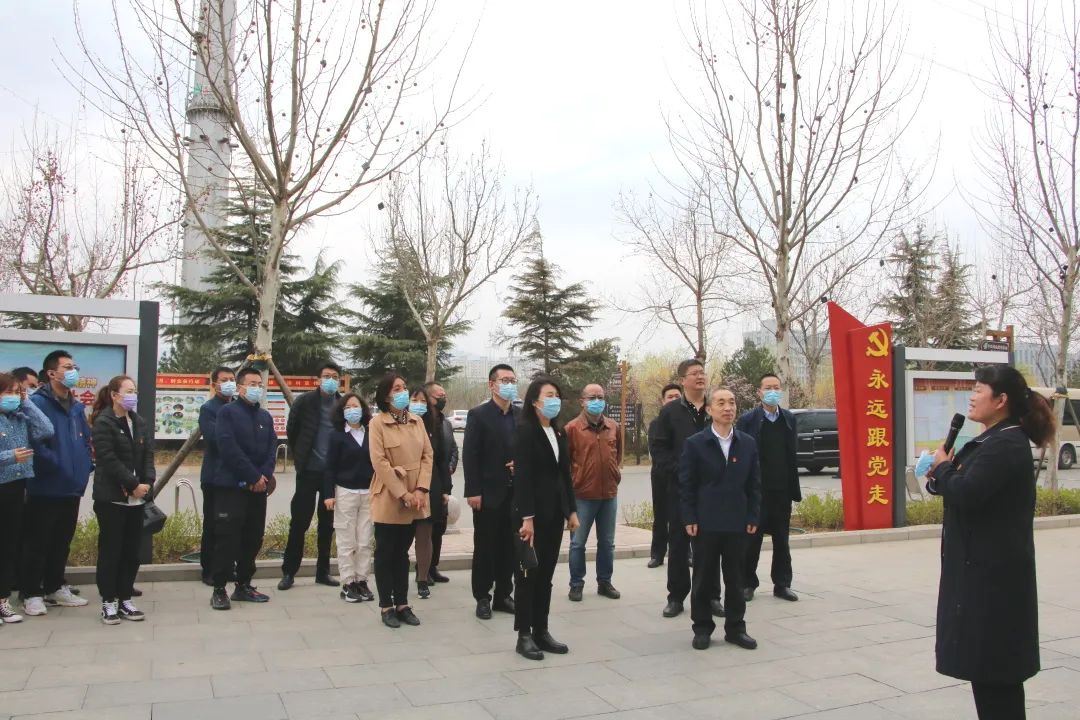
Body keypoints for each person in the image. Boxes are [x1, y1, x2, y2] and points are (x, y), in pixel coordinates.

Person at [926, 365, 1053, 720]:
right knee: (989, 677)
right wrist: (941, 473)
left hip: (994, 586)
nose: (972, 396)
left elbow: (968, 492)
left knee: (997, 680)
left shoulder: (1005, 444)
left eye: (979, 389)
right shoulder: (992, 441)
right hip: (985, 579)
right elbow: (962, 487)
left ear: (1001, 400)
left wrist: (944, 468)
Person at [680, 387, 760, 652]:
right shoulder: (696, 443)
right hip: (705, 522)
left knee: (736, 579)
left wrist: (753, 514)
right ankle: (702, 628)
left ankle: (736, 628)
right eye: (721, 403)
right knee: (703, 578)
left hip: (737, 522)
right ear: (710, 409)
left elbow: (754, 484)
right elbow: (687, 485)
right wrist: (689, 516)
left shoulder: (747, 443)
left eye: (732, 403)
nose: (728, 408)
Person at [512, 377, 580, 660]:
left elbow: (564, 475)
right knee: (528, 574)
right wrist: (527, 518)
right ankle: (524, 635)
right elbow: (523, 476)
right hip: (531, 516)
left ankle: (542, 629)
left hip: (554, 515)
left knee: (546, 575)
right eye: (549, 395)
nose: (554, 401)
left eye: (557, 396)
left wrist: (571, 511)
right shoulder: (525, 430)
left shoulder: (558, 431)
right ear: (534, 401)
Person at [22, 350, 92, 615]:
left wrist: (85, 467)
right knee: (38, 541)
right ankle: (31, 592)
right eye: (67, 367)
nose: (73, 371)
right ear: (52, 373)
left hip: (71, 486)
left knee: (62, 540)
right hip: (46, 485)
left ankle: (55, 586)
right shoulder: (37, 403)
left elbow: (85, 440)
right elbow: (34, 442)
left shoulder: (76, 406)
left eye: (74, 366)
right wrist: (56, 465)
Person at [650, 358, 718, 619]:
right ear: (683, 380)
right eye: (694, 373)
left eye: (702, 372)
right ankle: (676, 596)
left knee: (711, 545)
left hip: (711, 491)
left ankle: (711, 596)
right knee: (678, 544)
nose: (700, 376)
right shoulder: (670, 412)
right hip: (680, 489)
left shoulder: (714, 407)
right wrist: (681, 471)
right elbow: (659, 450)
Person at [209, 367, 276, 610]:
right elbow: (228, 448)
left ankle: (244, 584)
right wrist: (252, 476)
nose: (257, 388)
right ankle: (219, 588)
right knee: (227, 539)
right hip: (232, 488)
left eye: (260, 384)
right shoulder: (227, 413)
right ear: (240, 388)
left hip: (258, 490)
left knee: (253, 538)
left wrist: (263, 476)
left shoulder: (265, 417)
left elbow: (272, 448)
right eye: (252, 384)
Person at [369, 372, 433, 628]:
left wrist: (420, 490)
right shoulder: (377, 423)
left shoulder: (417, 421)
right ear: (386, 396)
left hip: (416, 496)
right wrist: (403, 493)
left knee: (403, 553)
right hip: (389, 495)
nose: (403, 392)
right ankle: (386, 605)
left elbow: (427, 456)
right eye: (397, 388)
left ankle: (403, 604)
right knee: (386, 551)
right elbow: (379, 462)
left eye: (404, 387)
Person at [90, 376, 155, 624]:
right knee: (111, 551)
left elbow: (148, 455)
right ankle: (108, 601)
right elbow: (108, 458)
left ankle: (125, 598)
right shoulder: (104, 422)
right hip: (112, 498)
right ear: (115, 395)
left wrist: (147, 483)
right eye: (128, 391)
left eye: (134, 391)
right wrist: (132, 484)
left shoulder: (138, 421)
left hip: (137, 500)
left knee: (131, 552)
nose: (133, 395)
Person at [736, 373, 801, 603]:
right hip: (756, 492)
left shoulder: (789, 419)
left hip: (781, 490)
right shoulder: (747, 420)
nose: (772, 391)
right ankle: (747, 584)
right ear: (759, 392)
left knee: (782, 540)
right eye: (768, 388)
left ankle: (782, 584)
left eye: (776, 387)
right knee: (751, 540)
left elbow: (791, 454)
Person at [462, 364, 520, 620]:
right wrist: (473, 491)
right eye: (505, 380)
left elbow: (527, 448)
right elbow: (470, 455)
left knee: (509, 548)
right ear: (492, 385)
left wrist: (521, 464)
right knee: (485, 548)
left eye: (513, 380)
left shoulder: (521, 415)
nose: (510, 385)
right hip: (487, 494)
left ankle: (503, 595)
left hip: (514, 494)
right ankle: (482, 597)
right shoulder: (479, 415)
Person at [279, 362, 342, 590]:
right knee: (299, 522)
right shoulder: (305, 401)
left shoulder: (342, 404)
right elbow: (292, 429)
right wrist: (301, 457)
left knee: (327, 525)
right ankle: (289, 572)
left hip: (331, 475)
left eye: (334, 376)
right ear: (318, 379)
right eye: (326, 376)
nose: (330, 380)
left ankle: (323, 572)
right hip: (308, 471)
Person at [0, 372, 53, 625]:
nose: (12, 397)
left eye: (16, 392)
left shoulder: (20, 417)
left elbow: (46, 429)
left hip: (16, 487)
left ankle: (3, 601)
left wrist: (26, 401)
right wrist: (10, 456)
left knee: (9, 546)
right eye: (8, 392)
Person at [566, 383, 622, 602]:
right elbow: (565, 463)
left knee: (607, 543)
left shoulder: (613, 426)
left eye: (600, 396)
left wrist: (614, 475)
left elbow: (617, 456)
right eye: (592, 397)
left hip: (609, 494)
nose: (597, 401)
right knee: (577, 543)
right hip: (582, 496)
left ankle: (604, 582)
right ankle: (576, 584)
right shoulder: (572, 428)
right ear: (582, 401)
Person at [322, 393, 376, 603]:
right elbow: (329, 467)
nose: (353, 410)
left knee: (364, 541)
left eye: (356, 406)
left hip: (368, 493)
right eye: (348, 407)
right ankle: (348, 583)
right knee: (347, 541)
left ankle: (362, 580)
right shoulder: (337, 435)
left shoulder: (370, 433)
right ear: (342, 411)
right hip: (345, 492)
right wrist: (328, 494)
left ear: (363, 409)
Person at [198, 366, 236, 586]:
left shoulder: (239, 407)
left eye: (232, 379)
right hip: (214, 477)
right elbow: (215, 439)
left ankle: (227, 567)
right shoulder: (209, 409)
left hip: (235, 477)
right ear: (214, 384)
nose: (229, 383)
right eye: (224, 380)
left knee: (231, 526)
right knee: (213, 524)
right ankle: (209, 570)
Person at [424, 381, 458, 584]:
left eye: (444, 395)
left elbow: (453, 449)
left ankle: (433, 566)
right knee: (425, 530)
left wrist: (451, 465)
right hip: (427, 483)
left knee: (439, 528)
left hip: (444, 482)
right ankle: (423, 569)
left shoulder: (446, 423)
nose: (443, 399)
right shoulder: (421, 422)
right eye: (439, 396)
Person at [647, 383, 683, 568]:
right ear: (663, 401)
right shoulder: (657, 423)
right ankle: (657, 554)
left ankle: (686, 553)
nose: (674, 400)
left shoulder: (687, 421)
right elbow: (656, 451)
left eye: (677, 397)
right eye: (670, 397)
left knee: (683, 516)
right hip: (661, 476)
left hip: (682, 476)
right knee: (660, 515)